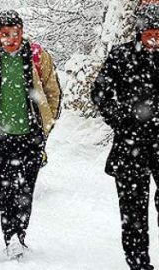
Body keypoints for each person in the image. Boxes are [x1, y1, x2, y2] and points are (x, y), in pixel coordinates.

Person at [0, 10, 62, 258]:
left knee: (26, 188)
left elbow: (53, 90)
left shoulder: (37, 56)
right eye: (5, 34)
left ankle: (21, 233)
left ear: (22, 32)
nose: (11, 39)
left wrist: (45, 125)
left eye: (15, 33)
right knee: (6, 187)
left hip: (31, 135)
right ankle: (10, 236)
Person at [91, 4, 159, 270]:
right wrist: (121, 118)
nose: (155, 39)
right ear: (139, 32)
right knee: (133, 214)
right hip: (130, 147)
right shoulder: (122, 56)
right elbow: (100, 93)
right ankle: (139, 264)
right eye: (150, 33)